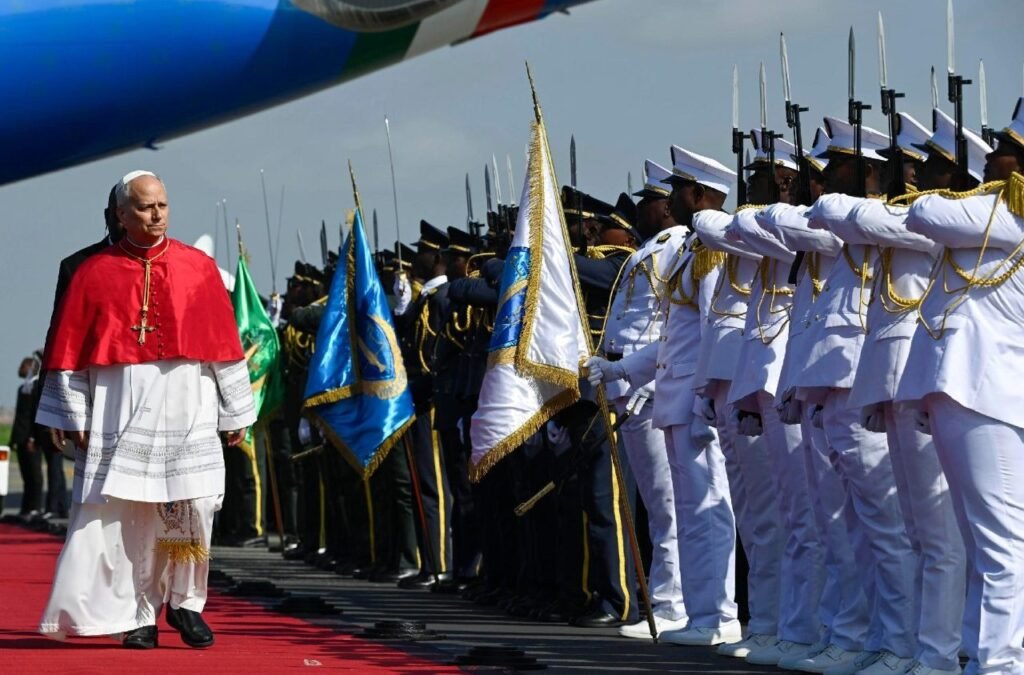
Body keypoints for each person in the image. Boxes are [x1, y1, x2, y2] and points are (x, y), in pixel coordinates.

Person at [36, 170, 256, 650]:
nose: (156, 215)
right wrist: (73, 415)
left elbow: (223, 345)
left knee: (192, 507)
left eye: (162, 205)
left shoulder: (197, 267)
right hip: (120, 406)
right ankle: (139, 615)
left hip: (189, 404)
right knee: (133, 517)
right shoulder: (93, 272)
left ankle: (185, 600)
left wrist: (236, 410)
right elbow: (70, 353)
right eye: (144, 207)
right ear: (121, 214)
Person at [895, 98, 1024, 675]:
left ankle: (997, 664)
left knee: (1000, 543)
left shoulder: (1007, 215)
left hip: (988, 392)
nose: (990, 159)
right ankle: (980, 656)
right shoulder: (996, 213)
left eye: (1005, 152)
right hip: (980, 392)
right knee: (985, 540)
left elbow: (924, 212)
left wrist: (963, 191)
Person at [585, 163, 690, 639]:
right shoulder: (644, 252)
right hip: (627, 386)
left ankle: (673, 604)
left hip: (650, 389)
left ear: (665, 207)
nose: (639, 211)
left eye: (647, 202)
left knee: (669, 504)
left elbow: (670, 324)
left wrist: (646, 381)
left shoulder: (676, 248)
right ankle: (666, 600)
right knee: (654, 503)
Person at [10, 354, 43, 518]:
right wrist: (13, 439)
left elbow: (34, 415)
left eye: (23, 366)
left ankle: (35, 507)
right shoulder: (23, 388)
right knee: (26, 476)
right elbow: (19, 417)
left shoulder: (36, 387)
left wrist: (33, 438)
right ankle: (26, 508)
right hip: (21, 438)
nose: (20, 369)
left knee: (35, 476)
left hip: (31, 439)